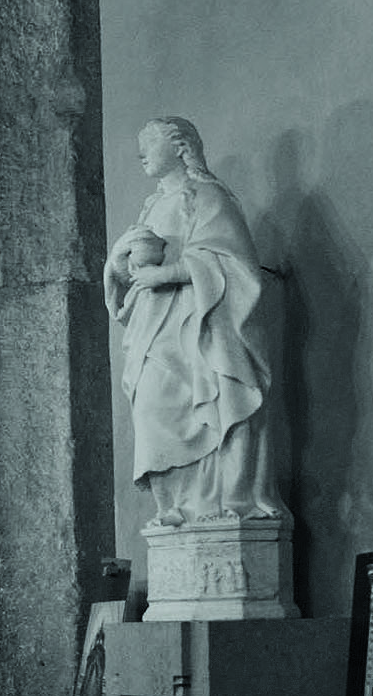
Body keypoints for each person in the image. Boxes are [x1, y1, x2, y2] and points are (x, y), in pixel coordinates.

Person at [104, 118, 287, 526]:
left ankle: (221, 503)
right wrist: (122, 262)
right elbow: (126, 271)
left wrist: (166, 274)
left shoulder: (208, 198)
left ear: (182, 147)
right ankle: (174, 509)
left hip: (201, 328)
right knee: (151, 407)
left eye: (149, 144)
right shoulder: (151, 206)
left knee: (215, 405)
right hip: (155, 326)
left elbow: (233, 264)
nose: (141, 154)